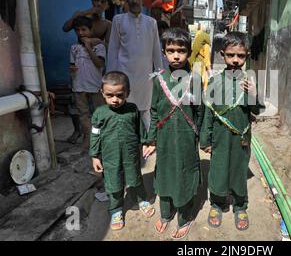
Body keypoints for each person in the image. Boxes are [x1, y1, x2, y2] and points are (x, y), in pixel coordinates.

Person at [200, 32, 264, 231]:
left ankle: (240, 205)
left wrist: (253, 95)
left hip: (241, 138)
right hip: (219, 137)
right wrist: (206, 139)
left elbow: (256, 110)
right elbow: (208, 114)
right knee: (218, 171)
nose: (235, 60)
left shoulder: (250, 82)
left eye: (241, 56)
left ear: (247, 55)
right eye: (230, 55)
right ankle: (217, 203)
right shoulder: (214, 82)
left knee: (238, 170)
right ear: (222, 55)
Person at [145, 28, 203, 240]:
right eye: (171, 51)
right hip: (165, 138)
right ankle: (166, 213)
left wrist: (201, 138)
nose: (176, 55)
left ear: (189, 52)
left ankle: (185, 217)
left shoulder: (195, 79)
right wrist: (150, 139)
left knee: (185, 175)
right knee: (165, 173)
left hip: (187, 137)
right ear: (164, 52)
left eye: (181, 50)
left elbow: (200, 111)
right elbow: (153, 110)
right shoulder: (159, 79)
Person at [89, 71, 156, 231]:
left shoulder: (133, 110)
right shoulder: (100, 113)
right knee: (114, 185)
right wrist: (94, 156)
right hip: (109, 157)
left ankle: (141, 200)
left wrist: (146, 142)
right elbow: (95, 135)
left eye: (120, 95)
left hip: (131, 154)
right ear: (102, 93)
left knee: (135, 178)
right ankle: (116, 210)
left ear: (128, 93)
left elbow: (140, 129)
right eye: (110, 95)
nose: (115, 100)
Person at [107, 0, 163, 129]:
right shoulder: (118, 20)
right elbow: (113, 49)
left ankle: (148, 142)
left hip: (146, 76)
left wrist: (159, 75)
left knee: (145, 110)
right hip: (124, 73)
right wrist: (111, 77)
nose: (134, 0)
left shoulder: (151, 23)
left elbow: (156, 51)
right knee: (124, 109)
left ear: (142, 0)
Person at [63, 0, 112, 144]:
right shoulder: (81, 18)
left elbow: (110, 46)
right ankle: (82, 133)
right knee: (78, 106)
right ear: (92, 2)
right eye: (95, 0)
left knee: (99, 107)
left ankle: (98, 135)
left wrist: (97, 42)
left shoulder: (107, 24)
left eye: (102, 2)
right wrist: (86, 12)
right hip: (79, 66)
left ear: (107, 6)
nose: (98, 4)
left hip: (95, 68)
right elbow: (65, 28)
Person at [69, 16, 106, 151]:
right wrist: (71, 70)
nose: (81, 33)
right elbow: (72, 65)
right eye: (77, 30)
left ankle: (101, 138)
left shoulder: (99, 47)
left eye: (84, 30)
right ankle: (88, 137)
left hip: (95, 85)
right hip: (79, 85)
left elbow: (99, 63)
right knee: (83, 114)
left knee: (100, 112)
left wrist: (89, 47)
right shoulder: (74, 48)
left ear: (91, 30)